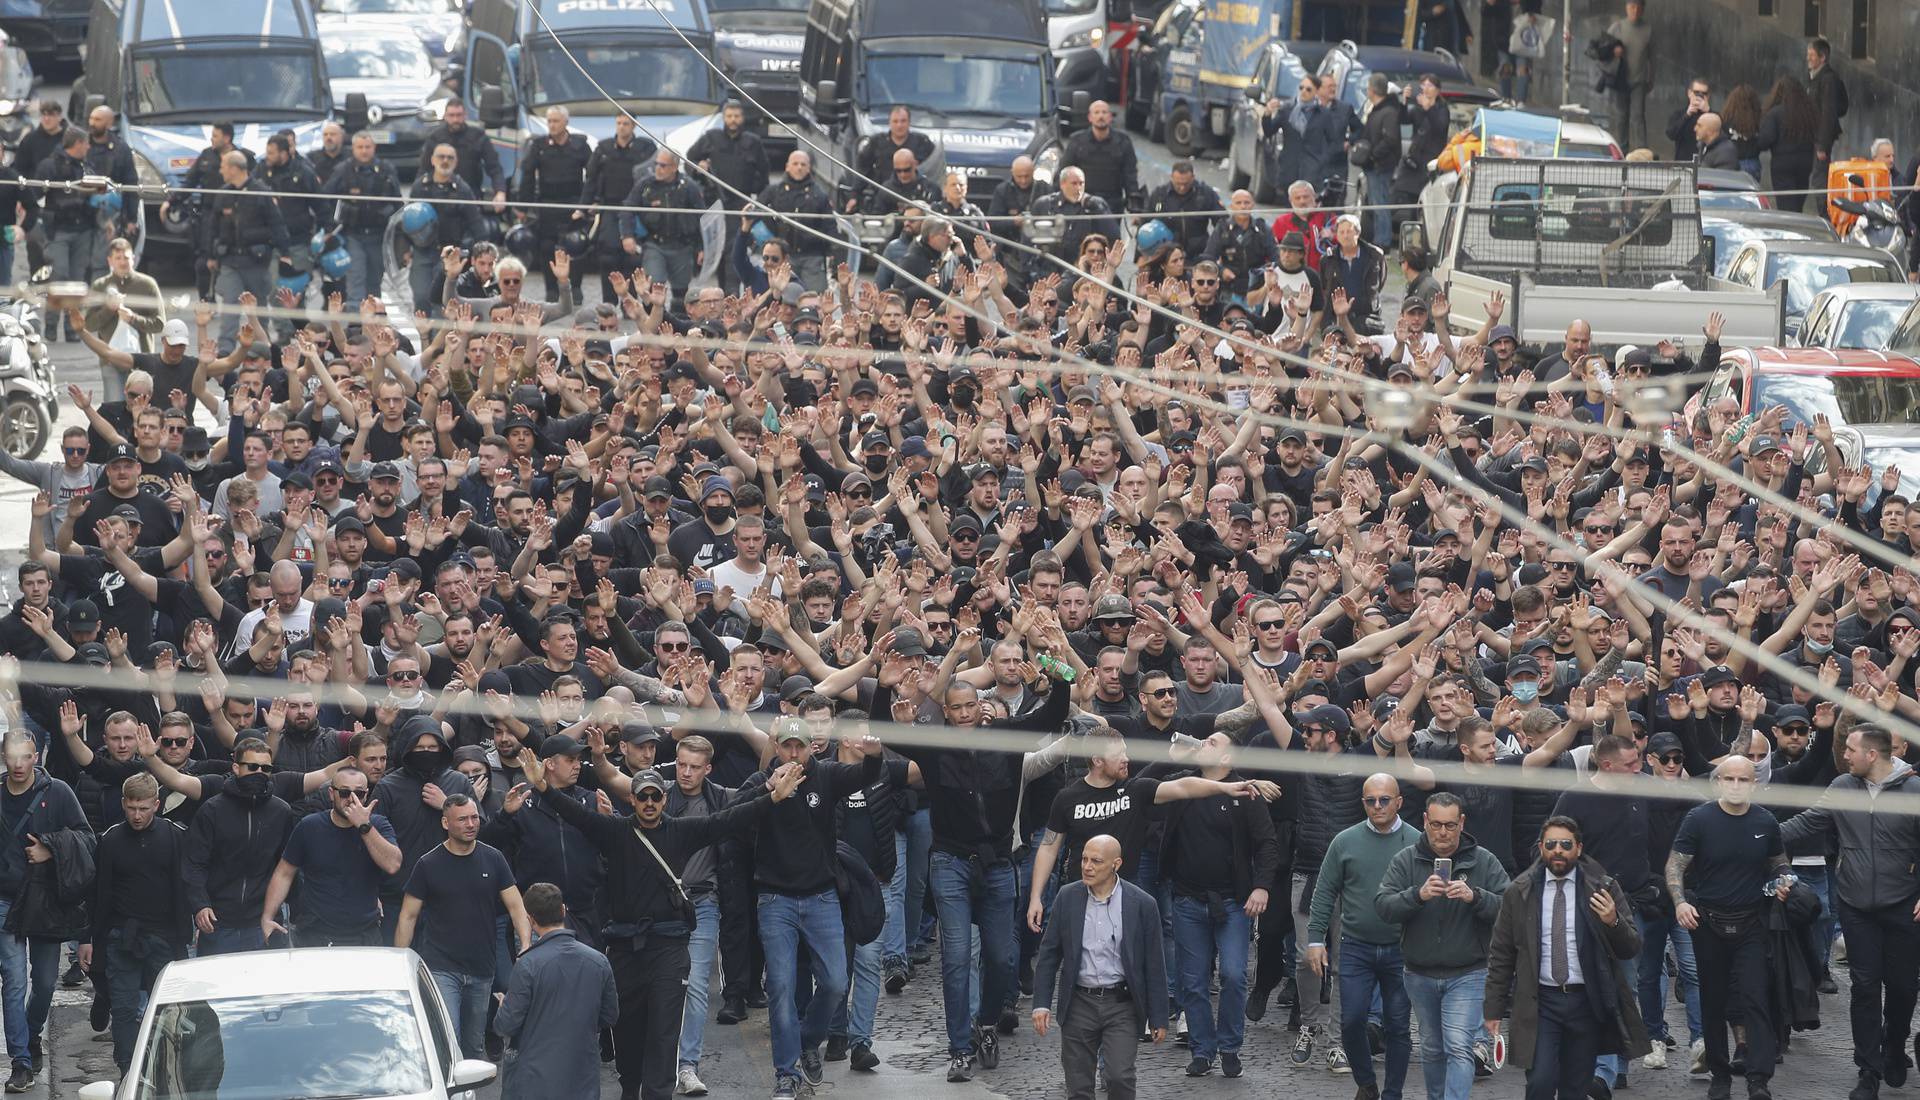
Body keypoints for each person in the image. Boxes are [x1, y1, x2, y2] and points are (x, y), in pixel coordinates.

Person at [520, 750, 803, 1100]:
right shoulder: (614, 831)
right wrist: (543, 786)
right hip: (624, 949)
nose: (650, 802)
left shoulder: (681, 831)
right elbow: (575, 813)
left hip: (669, 948)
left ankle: (657, 1093)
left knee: (664, 1030)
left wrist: (772, 798)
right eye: (643, 797)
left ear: (664, 798)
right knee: (626, 1029)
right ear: (634, 800)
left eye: (656, 796)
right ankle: (630, 1087)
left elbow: (729, 819)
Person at [1779, 724, 1920, 1100]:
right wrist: (1755, 834)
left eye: (1851, 750)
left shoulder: (1913, 789)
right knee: (1865, 987)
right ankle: (1867, 1071)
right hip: (1856, 905)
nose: (1845, 756)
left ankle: (1894, 1043)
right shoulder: (1842, 787)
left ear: (1872, 754)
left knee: (1905, 988)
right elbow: (1807, 822)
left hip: (1905, 904)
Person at [1485, 816, 1651, 1100]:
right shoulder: (1520, 891)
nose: (1558, 850)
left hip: (1585, 1002)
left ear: (1578, 848)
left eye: (1565, 844)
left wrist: (1613, 921)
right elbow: (1502, 953)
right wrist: (1493, 1008)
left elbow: (1631, 947)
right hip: (1541, 1003)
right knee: (1540, 1082)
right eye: (1551, 844)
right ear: (1540, 848)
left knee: (1576, 1087)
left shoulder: (1602, 887)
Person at [1667, 756, 1790, 1100]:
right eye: (1730, 778)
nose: (1736, 785)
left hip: (1752, 921)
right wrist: (1680, 902)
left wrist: (1783, 881)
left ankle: (1758, 1077)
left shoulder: (1765, 821)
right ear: (1718, 782)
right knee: (1713, 999)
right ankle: (1720, 1074)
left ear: (1754, 783)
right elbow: (1675, 865)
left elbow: (1779, 863)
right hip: (1708, 922)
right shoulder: (1699, 819)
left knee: (1756, 997)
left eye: (1744, 779)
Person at [1160, 733, 1280, 1078]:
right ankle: (1202, 1050)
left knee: (1233, 975)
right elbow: (1144, 784)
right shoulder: (1182, 785)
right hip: (1187, 899)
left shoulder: (1246, 793)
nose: (1202, 744)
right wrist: (1173, 753)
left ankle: (1229, 1046)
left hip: (1233, 902)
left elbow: (1267, 844)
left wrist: (1261, 887)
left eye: (1212, 742)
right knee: (1193, 982)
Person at [1377, 791, 1510, 1100]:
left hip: (1469, 972)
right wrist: (1417, 895)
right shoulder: (1407, 859)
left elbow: (1511, 908)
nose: (1442, 833)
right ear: (1425, 822)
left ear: (1461, 823)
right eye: (1436, 824)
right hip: (1419, 973)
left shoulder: (1483, 860)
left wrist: (1476, 897)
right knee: (1433, 1048)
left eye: (1450, 825)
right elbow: (1383, 906)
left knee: (1459, 1045)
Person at [1031, 834, 1171, 1100]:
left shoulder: (1142, 904)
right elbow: (1049, 954)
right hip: (1079, 1002)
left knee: (1120, 1076)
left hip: (1122, 1004)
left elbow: (1154, 963)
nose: (1087, 866)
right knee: (1078, 1085)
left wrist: (1159, 1016)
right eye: (1084, 859)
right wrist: (1041, 1004)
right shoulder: (1067, 897)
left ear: (1115, 864)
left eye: (1096, 861)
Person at [394, 793, 532, 1059]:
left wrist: (525, 945)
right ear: (446, 823)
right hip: (442, 966)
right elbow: (408, 916)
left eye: (474, 818)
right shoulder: (428, 864)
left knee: (473, 1045)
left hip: (482, 967)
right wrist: (401, 960)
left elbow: (516, 906)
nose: (471, 824)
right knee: (449, 1040)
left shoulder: (493, 859)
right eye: (462, 819)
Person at [1309, 774, 1419, 1100]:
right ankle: (1366, 1082)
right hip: (1356, 945)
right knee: (1351, 1019)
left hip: (1402, 948)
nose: (1377, 806)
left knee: (1398, 1025)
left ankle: (1393, 1093)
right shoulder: (1344, 841)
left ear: (1399, 802)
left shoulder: (1417, 841)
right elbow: (1324, 892)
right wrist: (1316, 940)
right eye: (1370, 800)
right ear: (1363, 803)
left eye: (1384, 799)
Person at [90, 772, 187, 1075]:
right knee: (123, 1008)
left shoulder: (174, 836)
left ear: (157, 805)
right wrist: (90, 940)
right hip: (122, 935)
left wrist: (184, 937)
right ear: (123, 803)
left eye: (143, 808)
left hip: (164, 935)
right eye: (131, 808)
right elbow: (98, 895)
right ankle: (128, 1071)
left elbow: (182, 888)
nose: (136, 815)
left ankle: (163, 1070)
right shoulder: (110, 840)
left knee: (166, 1010)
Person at [493, 882, 619, 1100]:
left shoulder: (527, 964)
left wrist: (505, 1005)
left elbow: (506, 1025)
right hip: (582, 1080)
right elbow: (610, 1016)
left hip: (533, 1083)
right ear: (563, 910)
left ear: (530, 920)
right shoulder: (598, 961)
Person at [259, 764, 400, 947]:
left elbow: (393, 864)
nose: (351, 799)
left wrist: (364, 827)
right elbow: (284, 873)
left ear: (367, 795)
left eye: (359, 794)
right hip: (315, 933)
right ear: (331, 794)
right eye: (344, 793)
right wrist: (267, 917)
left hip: (364, 933)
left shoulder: (377, 825)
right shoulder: (309, 826)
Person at [181, 737, 295, 956]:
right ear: (236, 767)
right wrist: (200, 905)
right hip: (218, 923)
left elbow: (288, 867)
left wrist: (292, 912)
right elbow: (194, 864)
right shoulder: (212, 810)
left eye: (266, 768)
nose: (259, 772)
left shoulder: (281, 812)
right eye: (252, 766)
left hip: (264, 921)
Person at [687, 101, 769, 292]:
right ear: (723, 118)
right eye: (729, 116)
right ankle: (724, 294)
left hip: (740, 204)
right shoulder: (711, 138)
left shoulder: (752, 142)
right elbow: (688, 160)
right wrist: (699, 168)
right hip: (715, 204)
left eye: (737, 116)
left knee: (735, 250)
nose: (733, 120)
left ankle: (731, 295)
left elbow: (764, 175)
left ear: (742, 118)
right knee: (719, 253)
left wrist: (756, 201)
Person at [516, 105, 591, 300]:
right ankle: (551, 288)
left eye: (556, 121)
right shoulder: (539, 145)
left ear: (566, 122)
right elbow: (528, 176)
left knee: (575, 246)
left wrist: (587, 204)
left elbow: (592, 176)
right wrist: (523, 207)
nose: (552, 125)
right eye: (549, 121)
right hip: (548, 203)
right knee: (546, 248)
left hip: (573, 203)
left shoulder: (580, 145)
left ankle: (575, 287)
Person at [322, 131, 402, 305]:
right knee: (355, 282)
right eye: (360, 147)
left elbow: (398, 205)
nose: (364, 151)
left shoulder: (386, 170)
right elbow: (324, 200)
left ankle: (375, 326)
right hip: (352, 235)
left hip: (379, 235)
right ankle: (354, 328)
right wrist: (330, 228)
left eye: (367, 147)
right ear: (353, 149)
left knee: (374, 283)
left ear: (374, 148)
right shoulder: (343, 170)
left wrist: (400, 238)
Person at [622, 150, 707, 308]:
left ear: (674, 167)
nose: (658, 169)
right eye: (656, 164)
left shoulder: (689, 187)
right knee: (654, 288)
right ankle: (650, 327)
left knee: (681, 295)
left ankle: (677, 325)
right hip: (655, 244)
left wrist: (702, 247)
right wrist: (627, 235)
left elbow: (701, 217)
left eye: (663, 165)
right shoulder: (645, 185)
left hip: (682, 245)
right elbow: (628, 208)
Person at [1059, 99, 1140, 213]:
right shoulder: (1077, 141)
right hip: (1082, 201)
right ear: (1090, 117)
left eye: (1104, 112)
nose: (1100, 116)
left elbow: (1130, 174)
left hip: (1113, 203)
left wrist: (1134, 204)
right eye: (1096, 112)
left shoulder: (1123, 142)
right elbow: (1064, 171)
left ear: (1110, 117)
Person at [1757, 78, 1820, 214]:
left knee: (1786, 206)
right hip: (1805, 163)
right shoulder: (1808, 114)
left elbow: (1765, 140)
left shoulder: (1775, 114)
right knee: (1798, 203)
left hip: (1782, 164)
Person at [1358, 74, 1403, 250]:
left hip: (1380, 166)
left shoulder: (1388, 112)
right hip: (1374, 166)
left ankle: (1382, 241)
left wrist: (1372, 155)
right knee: (1376, 203)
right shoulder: (1377, 109)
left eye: (1368, 87)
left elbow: (1390, 139)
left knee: (1380, 204)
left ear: (1373, 90)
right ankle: (1379, 238)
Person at [1605, 0, 1654, 151]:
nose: (1635, 11)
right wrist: (1614, 52)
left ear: (1643, 10)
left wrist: (1651, 78)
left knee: (1638, 116)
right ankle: (1622, 149)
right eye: (1632, 7)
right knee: (1621, 117)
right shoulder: (1617, 28)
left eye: (1639, 8)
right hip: (1620, 80)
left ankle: (1642, 150)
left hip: (1639, 80)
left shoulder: (1648, 30)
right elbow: (1603, 50)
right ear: (1626, 8)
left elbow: (1652, 57)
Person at [1807, 35, 1849, 167]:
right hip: (1815, 136)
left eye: (1812, 55)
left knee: (1819, 176)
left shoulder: (1828, 80)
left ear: (1822, 57)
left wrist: (1822, 145)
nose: (1808, 58)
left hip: (1821, 140)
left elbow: (1828, 113)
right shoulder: (1816, 77)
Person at [1669, 78, 1712, 161]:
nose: (1700, 96)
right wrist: (1687, 115)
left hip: (1706, 165)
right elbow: (1671, 134)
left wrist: (1708, 112)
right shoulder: (1679, 114)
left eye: (1703, 94)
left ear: (1708, 96)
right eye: (1696, 93)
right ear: (1689, 93)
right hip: (1683, 164)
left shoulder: (1714, 116)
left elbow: (1723, 136)